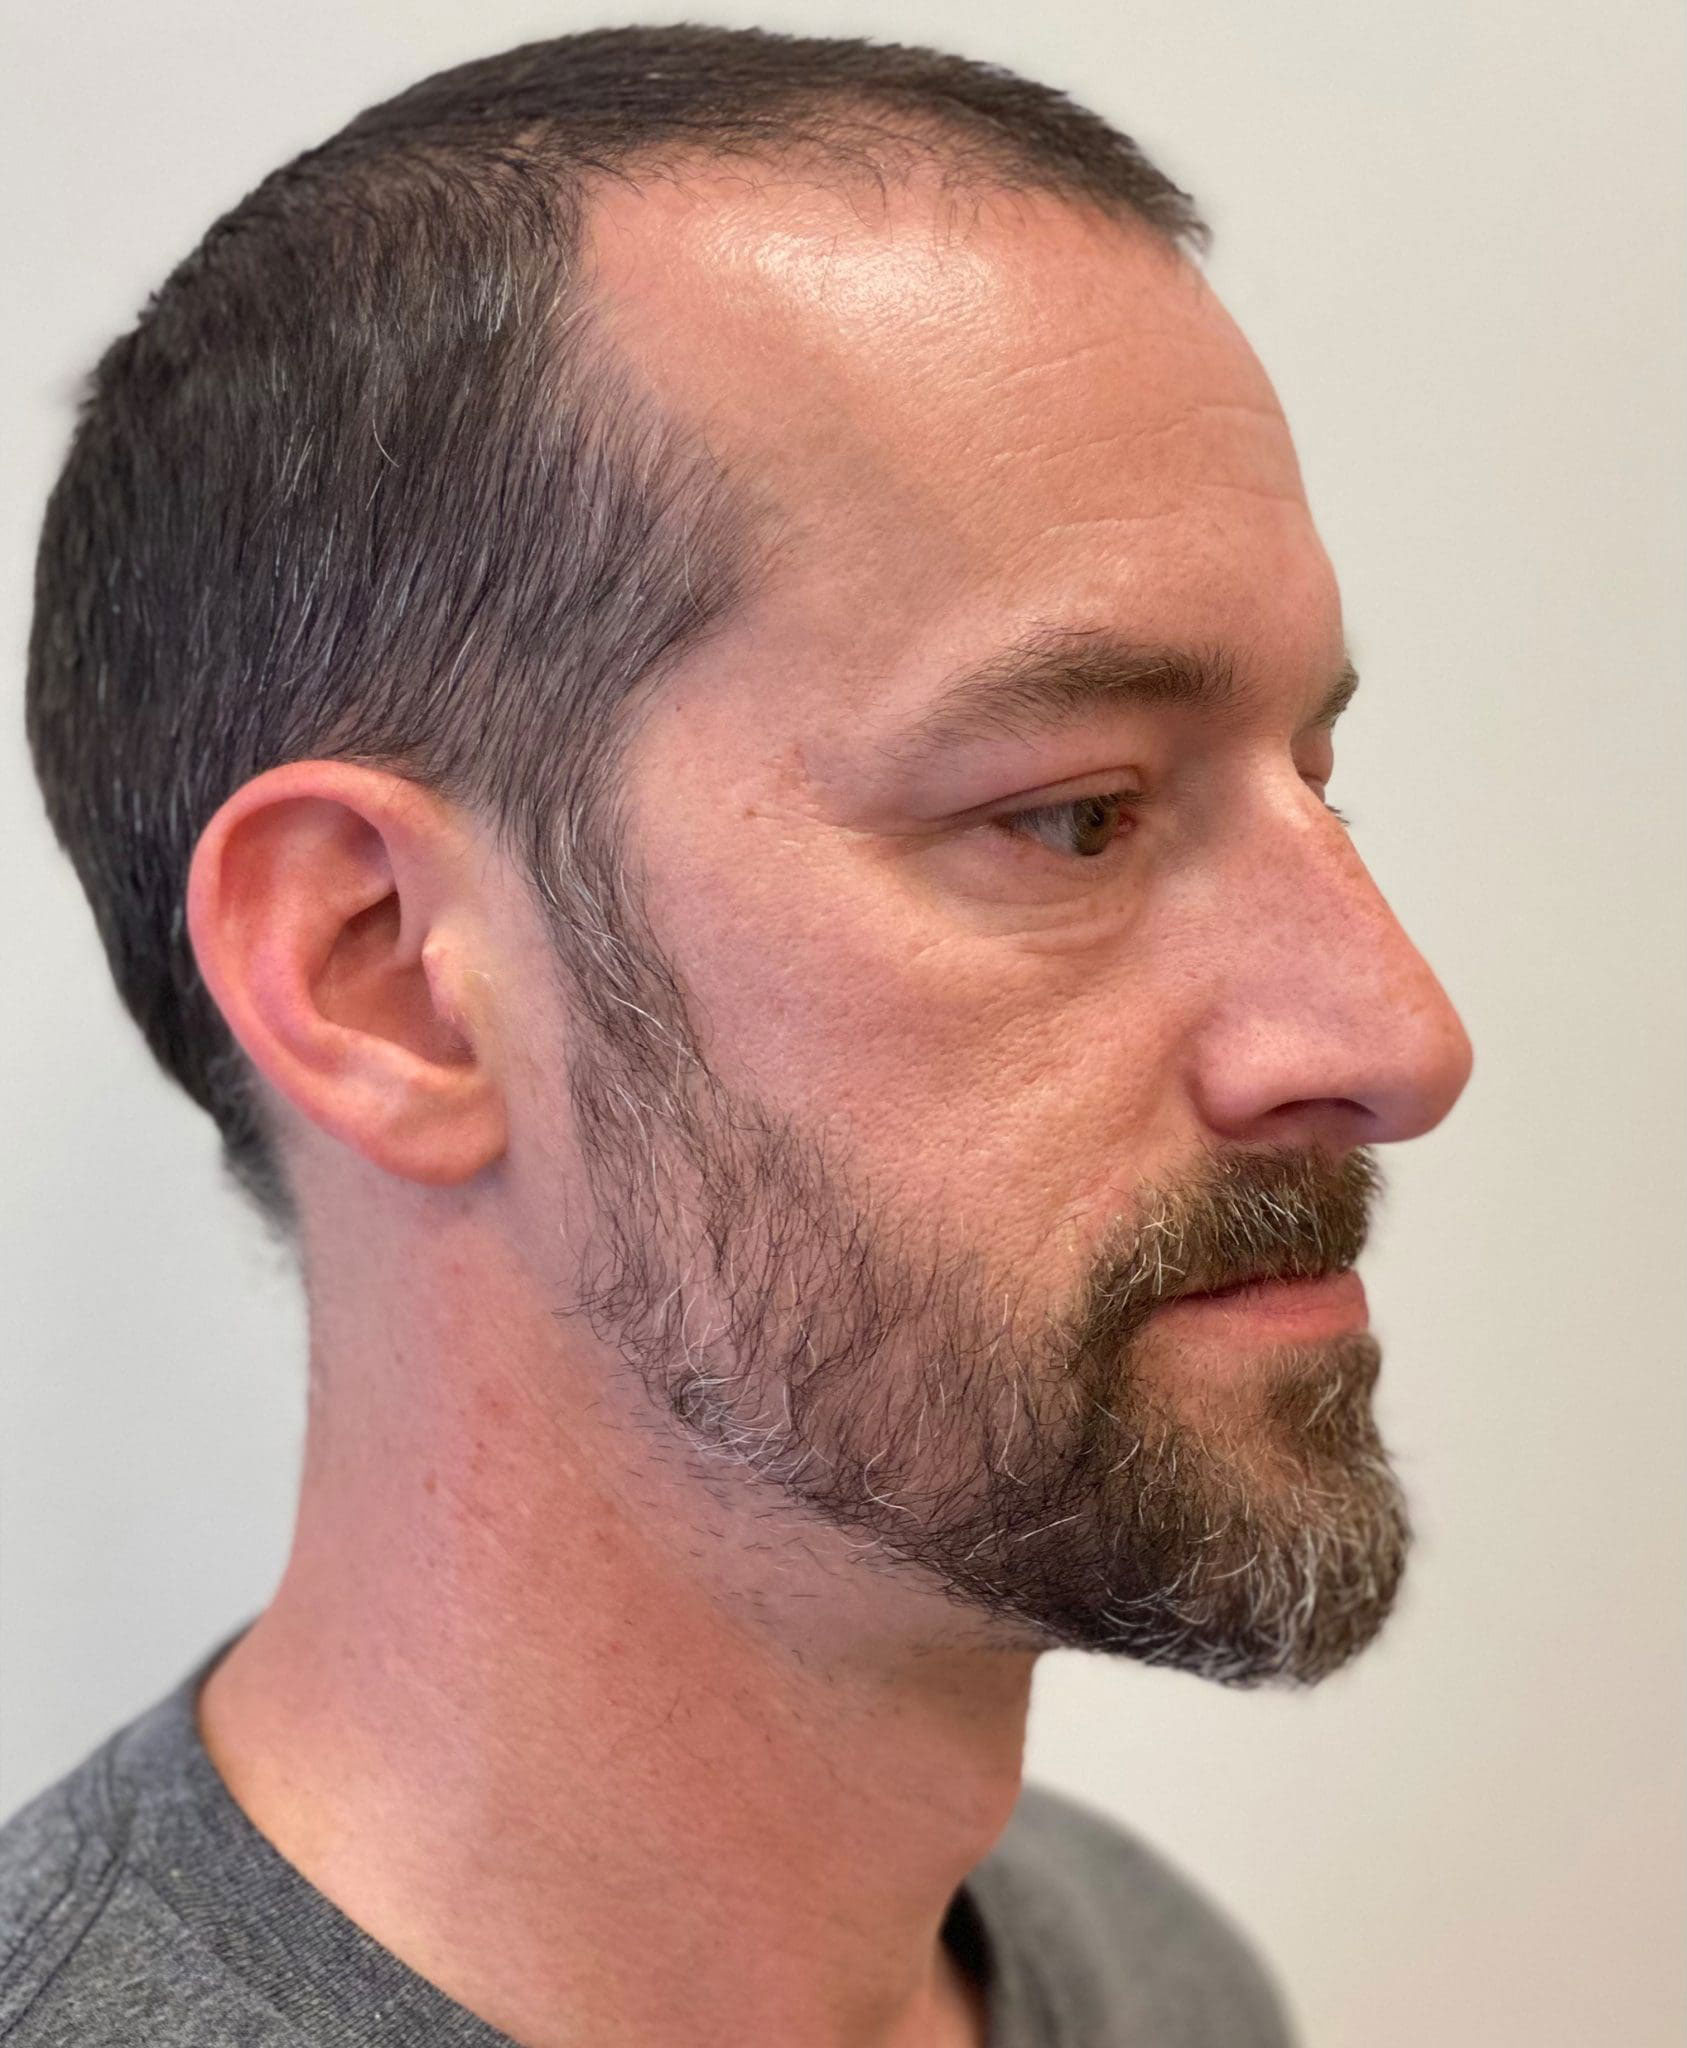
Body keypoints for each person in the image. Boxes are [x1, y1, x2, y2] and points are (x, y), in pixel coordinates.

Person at [1, 22, 1473, 2048]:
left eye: (1314, 777)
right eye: (1071, 814)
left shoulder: (1144, 1976)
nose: (1396, 1034)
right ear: (387, 977)